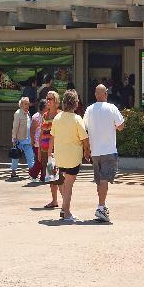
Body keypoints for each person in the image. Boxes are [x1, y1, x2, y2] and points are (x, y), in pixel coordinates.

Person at [83, 84, 125, 223]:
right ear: (106, 94)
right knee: (104, 180)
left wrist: (86, 149)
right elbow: (121, 127)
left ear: (96, 94)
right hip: (108, 150)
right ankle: (101, 207)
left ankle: (102, 205)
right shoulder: (112, 108)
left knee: (99, 180)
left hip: (95, 151)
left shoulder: (89, 110)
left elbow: (85, 129)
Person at [49, 89, 90, 223]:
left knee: (63, 183)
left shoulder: (57, 118)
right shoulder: (77, 119)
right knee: (69, 185)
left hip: (59, 157)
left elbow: (52, 137)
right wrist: (87, 152)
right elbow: (85, 139)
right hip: (73, 158)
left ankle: (64, 207)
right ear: (75, 104)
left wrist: (50, 152)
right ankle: (66, 212)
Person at [41, 91, 61, 208]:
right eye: (47, 99)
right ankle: (54, 200)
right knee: (50, 176)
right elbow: (42, 132)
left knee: (60, 177)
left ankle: (64, 202)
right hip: (45, 148)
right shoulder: (45, 115)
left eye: (50, 99)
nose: (48, 101)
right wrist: (39, 149)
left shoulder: (60, 115)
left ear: (56, 101)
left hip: (56, 149)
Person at [10, 97, 36, 179]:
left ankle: (32, 173)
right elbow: (15, 127)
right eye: (25, 104)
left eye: (28, 104)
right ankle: (13, 171)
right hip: (19, 140)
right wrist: (14, 139)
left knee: (30, 156)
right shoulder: (18, 113)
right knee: (15, 156)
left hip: (27, 139)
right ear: (21, 104)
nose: (27, 106)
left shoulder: (28, 113)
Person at [29, 99, 46, 181]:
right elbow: (32, 130)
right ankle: (33, 174)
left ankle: (43, 176)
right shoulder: (36, 117)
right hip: (37, 143)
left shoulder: (47, 116)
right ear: (43, 107)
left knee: (44, 160)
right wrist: (32, 141)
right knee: (39, 160)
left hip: (46, 142)